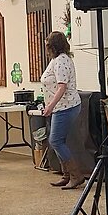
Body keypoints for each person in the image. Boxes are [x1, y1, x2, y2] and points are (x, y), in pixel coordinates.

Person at [40, 31, 85, 190]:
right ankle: (66, 175)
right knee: (59, 140)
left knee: (56, 141)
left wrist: (50, 106)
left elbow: (61, 87)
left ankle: (75, 175)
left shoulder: (61, 61)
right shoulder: (57, 60)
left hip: (65, 106)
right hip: (60, 107)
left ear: (53, 46)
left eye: (47, 45)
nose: (46, 49)